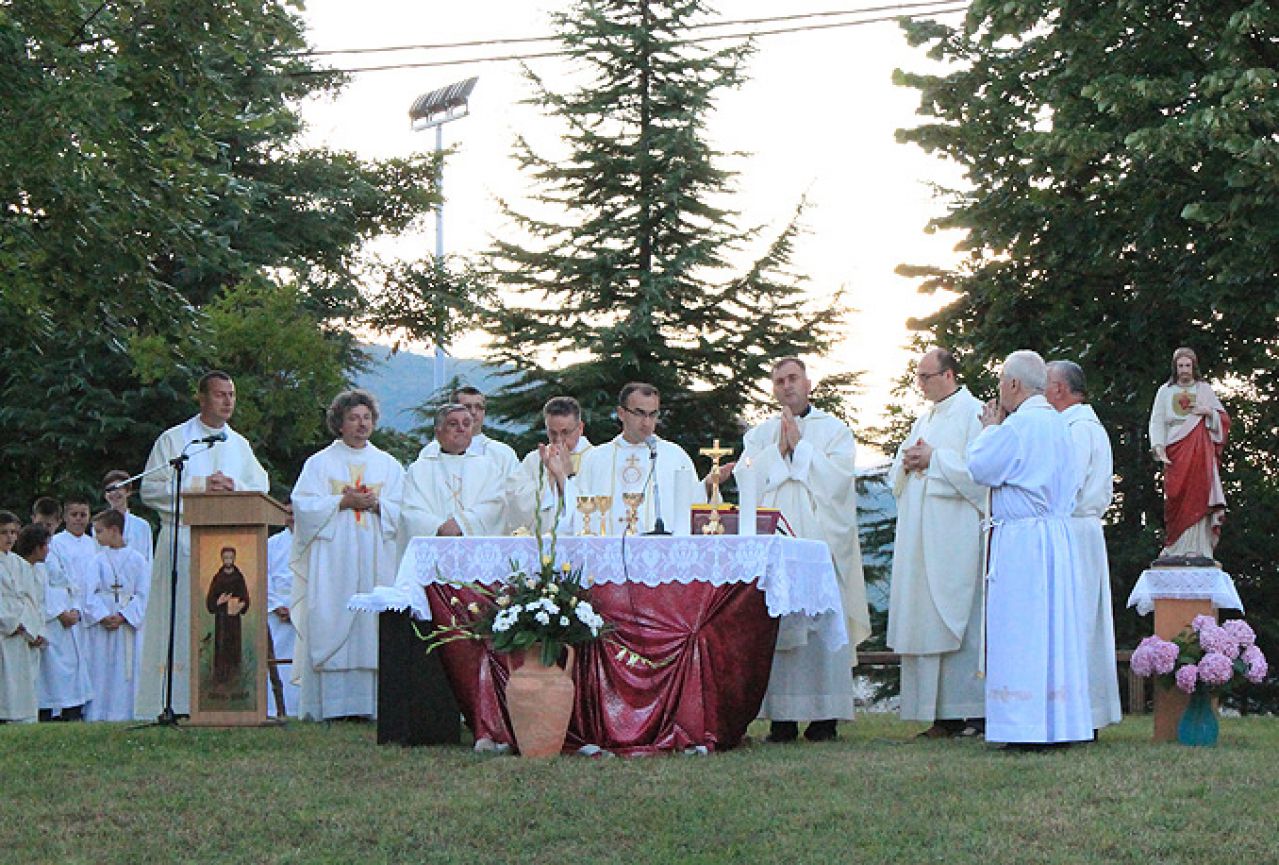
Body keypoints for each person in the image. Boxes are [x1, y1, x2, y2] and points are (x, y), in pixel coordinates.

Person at [726, 358, 871, 742]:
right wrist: (779, 452)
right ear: (773, 388)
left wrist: (802, 450)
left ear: (808, 383)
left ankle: (824, 718)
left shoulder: (835, 430)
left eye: (793, 379)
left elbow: (840, 481)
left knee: (821, 623)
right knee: (780, 622)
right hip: (778, 539)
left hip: (819, 540)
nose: (787, 386)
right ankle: (783, 719)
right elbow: (746, 473)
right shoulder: (760, 435)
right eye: (779, 381)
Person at [968, 350, 1091, 748]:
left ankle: (1023, 726)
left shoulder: (1019, 426)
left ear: (1014, 385)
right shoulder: (1058, 425)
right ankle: (1058, 722)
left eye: (1002, 382)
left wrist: (989, 428)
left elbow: (981, 466)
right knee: (1052, 631)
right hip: (1054, 538)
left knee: (1021, 632)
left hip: (1022, 543)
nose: (1000, 390)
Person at [136, 370, 269, 719]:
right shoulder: (176, 440)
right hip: (183, 543)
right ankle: (176, 701)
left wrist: (233, 484)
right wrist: (198, 485)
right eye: (220, 394)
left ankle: (223, 699)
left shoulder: (239, 444)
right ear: (202, 398)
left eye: (232, 394)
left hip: (225, 543)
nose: (228, 401)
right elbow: (150, 490)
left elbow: (261, 486)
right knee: (180, 622)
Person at [886, 348, 988, 738]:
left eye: (927, 377)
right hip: (921, 534)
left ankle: (973, 711)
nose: (921, 384)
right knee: (927, 618)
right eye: (919, 377)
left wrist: (935, 460)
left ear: (949, 375)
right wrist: (909, 462)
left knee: (961, 615)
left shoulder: (974, 414)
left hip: (955, 534)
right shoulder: (922, 419)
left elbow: (982, 474)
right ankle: (940, 715)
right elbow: (900, 468)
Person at [291, 389, 405, 721]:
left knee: (372, 623)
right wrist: (340, 502)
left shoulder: (388, 465)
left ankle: (372, 706)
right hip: (333, 555)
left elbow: (406, 510)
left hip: (376, 554)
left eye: (366, 417)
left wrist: (378, 504)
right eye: (353, 418)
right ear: (339, 423)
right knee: (331, 612)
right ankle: (330, 707)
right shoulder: (320, 463)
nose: (361, 424)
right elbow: (303, 506)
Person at [1046, 360, 1122, 735]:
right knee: (1082, 620)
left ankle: (1080, 714)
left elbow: (1066, 484)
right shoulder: (1085, 425)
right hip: (1082, 529)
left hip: (1072, 528)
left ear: (1059, 389)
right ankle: (1082, 712)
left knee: (1074, 620)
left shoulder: (1075, 430)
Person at [575, 383, 704, 535]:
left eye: (653, 414)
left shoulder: (675, 456)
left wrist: (709, 485)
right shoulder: (597, 458)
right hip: (608, 550)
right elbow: (578, 510)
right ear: (621, 413)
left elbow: (694, 504)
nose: (647, 423)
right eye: (640, 413)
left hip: (661, 551)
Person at [1147, 347, 1230, 559]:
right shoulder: (1165, 391)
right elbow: (1156, 419)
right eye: (1180, 365)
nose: (1184, 369)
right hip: (1175, 446)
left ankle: (1200, 548)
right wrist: (1158, 444)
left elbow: (1223, 420)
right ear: (1175, 368)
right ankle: (1175, 545)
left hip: (1199, 449)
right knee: (1175, 496)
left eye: (1188, 365)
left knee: (1199, 494)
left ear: (1194, 367)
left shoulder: (1204, 389)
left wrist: (1208, 412)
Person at [402, 404, 508, 538]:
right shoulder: (419, 470)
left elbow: (495, 504)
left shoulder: (488, 468)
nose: (461, 429)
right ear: (438, 431)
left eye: (466, 424)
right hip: (435, 545)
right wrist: (438, 527)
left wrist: (462, 523)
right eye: (453, 424)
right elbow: (411, 511)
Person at [84, 510, 149, 721]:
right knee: (101, 666)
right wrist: (102, 615)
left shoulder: (138, 560)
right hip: (103, 623)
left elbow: (143, 594)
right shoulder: (97, 560)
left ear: (114, 530)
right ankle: (99, 712)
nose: (96, 536)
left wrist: (123, 615)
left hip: (126, 623)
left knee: (126, 669)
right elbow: (88, 593)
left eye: (100, 531)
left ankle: (126, 712)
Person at [33, 500, 92, 722]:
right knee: (49, 670)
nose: (46, 530)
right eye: (42, 524)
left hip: (70, 615)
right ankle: (46, 711)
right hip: (50, 617)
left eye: (49, 525)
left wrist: (75, 609)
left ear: (57, 523)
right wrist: (58, 612)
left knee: (72, 667)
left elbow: (71, 582)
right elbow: (40, 586)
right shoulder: (37, 548)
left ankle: (72, 710)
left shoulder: (58, 546)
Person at [508, 396, 594, 535]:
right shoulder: (534, 460)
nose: (559, 440)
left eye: (565, 432)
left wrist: (566, 477)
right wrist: (550, 480)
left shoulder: (595, 458)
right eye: (552, 433)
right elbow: (516, 502)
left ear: (580, 428)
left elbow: (597, 505)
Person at [2, 518, 48, 724]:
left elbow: (32, 599)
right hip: (6, 630)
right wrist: (10, 622)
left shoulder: (20, 564)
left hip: (25, 632)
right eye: (4, 532)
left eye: (13, 532)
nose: (10, 537)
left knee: (23, 684)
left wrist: (36, 630)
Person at [265, 512, 299, 717]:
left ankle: (299, 706)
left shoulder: (315, 541)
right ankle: (274, 706)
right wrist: (276, 605)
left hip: (302, 609)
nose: (293, 518)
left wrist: (299, 608)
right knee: (276, 656)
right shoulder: (272, 543)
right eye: (288, 513)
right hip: (277, 610)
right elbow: (263, 574)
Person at [205, 546, 250, 689]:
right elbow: (210, 602)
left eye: (231, 557)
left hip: (234, 620)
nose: (228, 560)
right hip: (222, 619)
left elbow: (245, 597)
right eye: (226, 558)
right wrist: (220, 601)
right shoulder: (218, 578)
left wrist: (241, 604)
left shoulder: (238, 576)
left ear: (234, 558)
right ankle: (220, 680)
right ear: (222, 559)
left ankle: (235, 680)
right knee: (221, 648)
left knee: (234, 648)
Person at [102, 469, 155, 565]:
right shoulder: (100, 525)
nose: (114, 493)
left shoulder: (142, 526)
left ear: (128, 492)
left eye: (118, 488)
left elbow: (148, 560)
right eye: (109, 490)